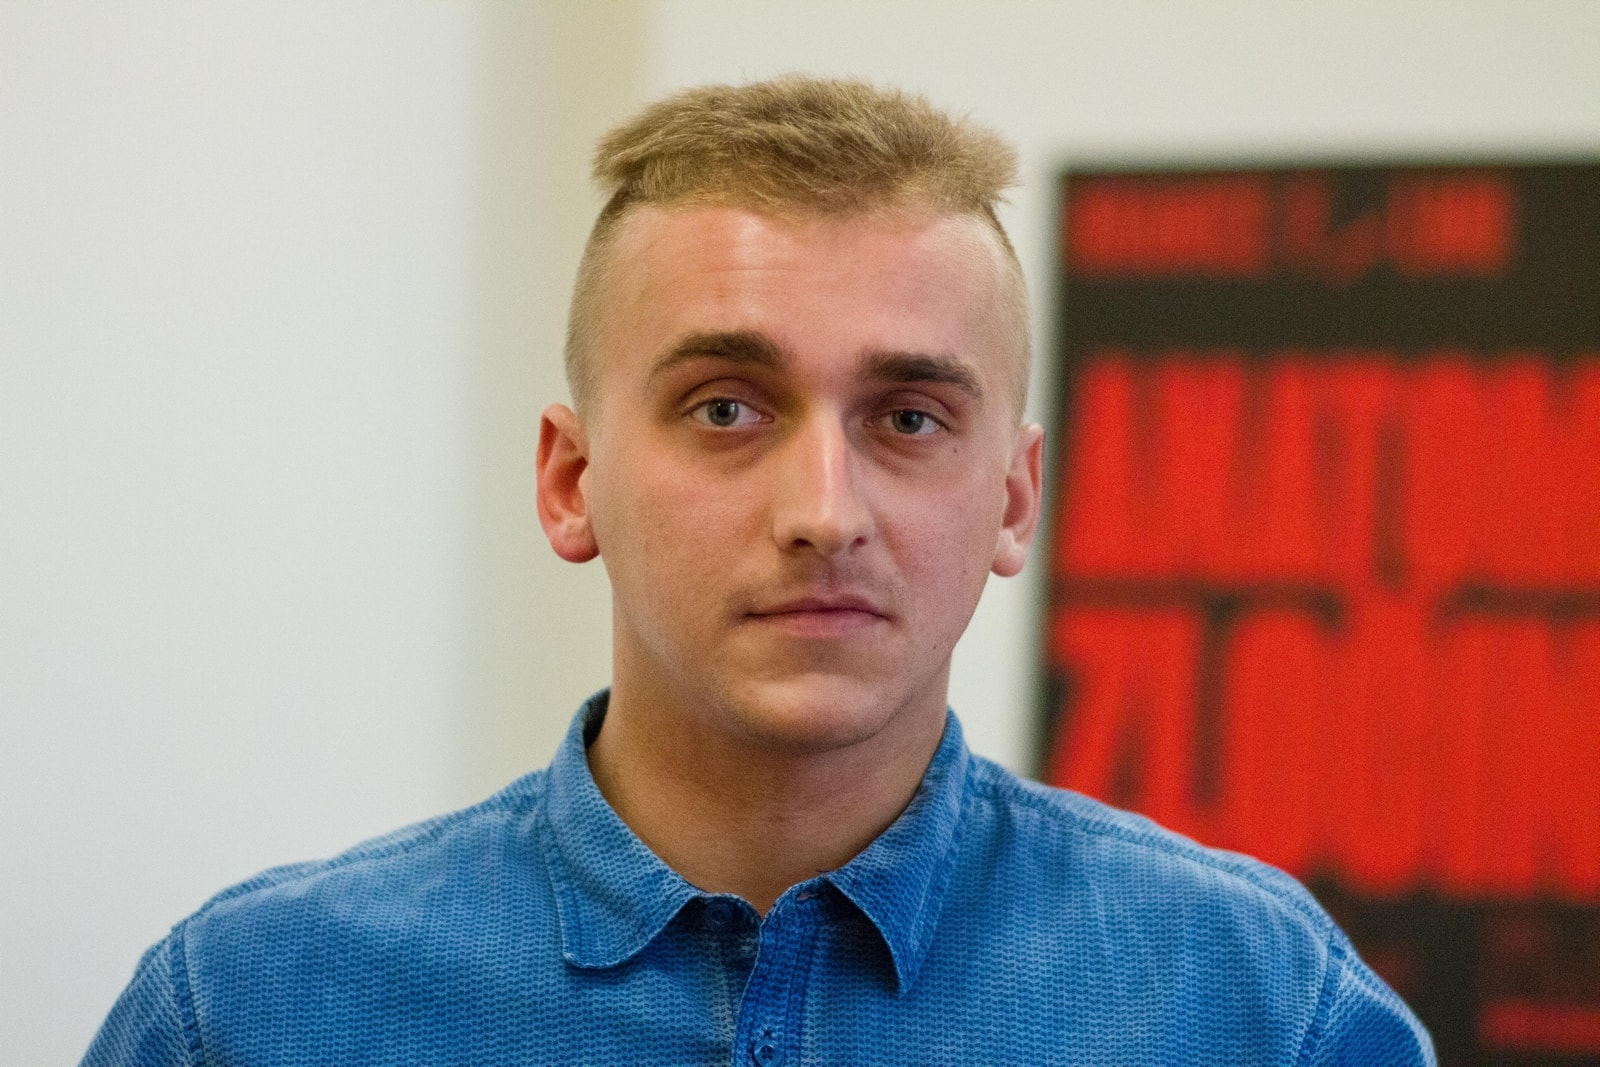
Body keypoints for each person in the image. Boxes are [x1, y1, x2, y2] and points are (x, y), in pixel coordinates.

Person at [84, 75, 1434, 1066]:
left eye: (909, 419)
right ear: (571, 482)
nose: (823, 513)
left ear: (1014, 500)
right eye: (726, 407)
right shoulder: (251, 1014)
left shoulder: (1258, 1012)